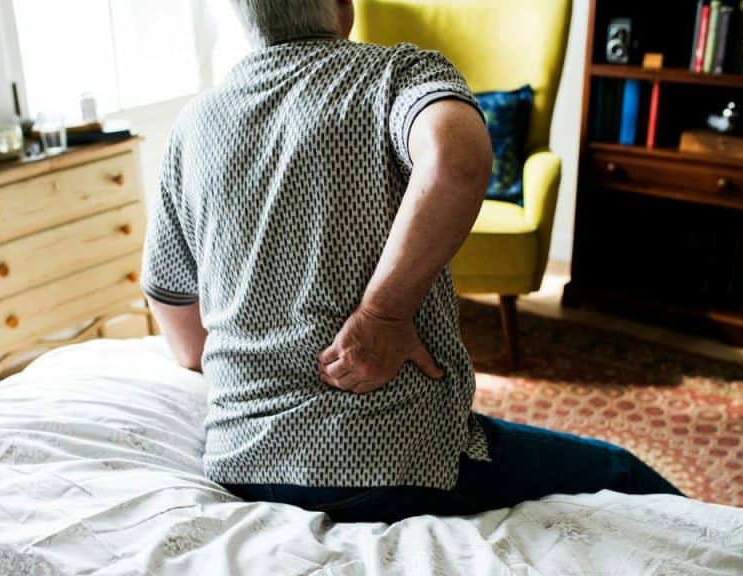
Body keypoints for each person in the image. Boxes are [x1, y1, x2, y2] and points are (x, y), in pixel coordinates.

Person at [140, 0, 683, 524]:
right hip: (391, 461)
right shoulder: (397, 74)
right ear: (341, 3)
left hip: (242, 464)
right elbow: (457, 157)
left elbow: (185, 338)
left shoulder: (192, 125)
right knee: (623, 472)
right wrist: (383, 316)